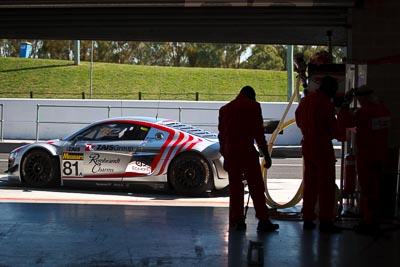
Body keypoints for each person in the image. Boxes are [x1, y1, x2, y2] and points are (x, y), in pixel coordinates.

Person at [218, 85, 279, 232]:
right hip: (247, 151)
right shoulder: (253, 106)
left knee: (235, 188)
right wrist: (266, 154)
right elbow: (258, 133)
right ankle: (263, 220)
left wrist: (225, 153)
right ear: (252, 96)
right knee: (256, 186)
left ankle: (237, 220)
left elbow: (222, 135)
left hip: (231, 152)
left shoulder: (225, 109)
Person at [338, 85, 391, 234]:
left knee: (368, 190)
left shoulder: (365, 111)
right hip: (381, 154)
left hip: (367, 155)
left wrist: (345, 104)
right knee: (376, 188)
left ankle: (370, 222)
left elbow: (346, 122)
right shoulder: (384, 109)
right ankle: (374, 220)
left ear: (362, 98)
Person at [295, 76, 342, 233]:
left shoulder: (306, 101)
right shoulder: (325, 104)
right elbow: (334, 130)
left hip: (307, 144)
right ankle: (325, 221)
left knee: (310, 184)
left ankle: (308, 218)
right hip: (322, 146)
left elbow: (298, 119)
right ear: (331, 90)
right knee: (326, 186)